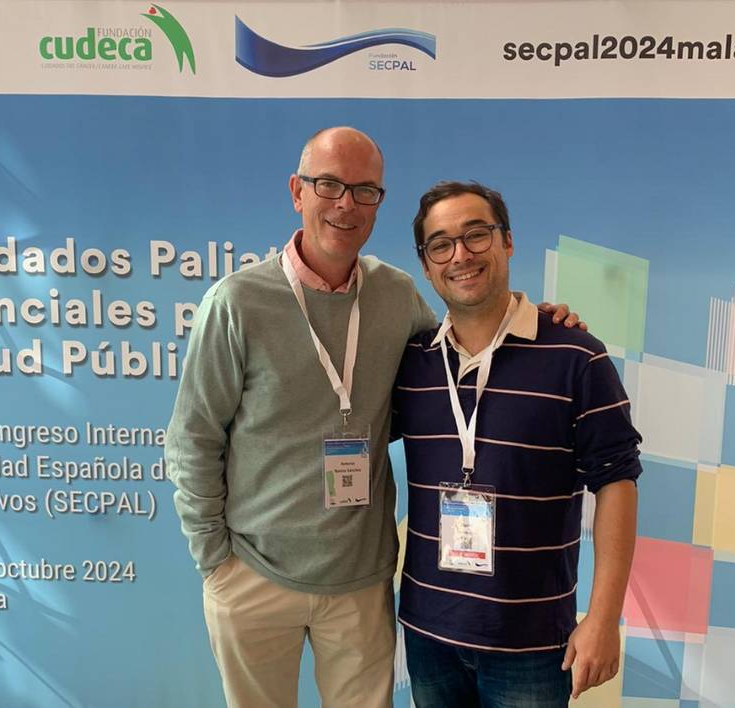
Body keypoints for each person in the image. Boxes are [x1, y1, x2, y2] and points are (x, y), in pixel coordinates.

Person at [165, 128, 579, 708]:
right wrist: (217, 562)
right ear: (296, 191)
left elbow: (463, 348)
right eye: (329, 185)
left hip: (361, 583)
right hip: (254, 575)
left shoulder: (396, 294)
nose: (346, 204)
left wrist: (536, 322)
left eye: (365, 190)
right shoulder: (237, 303)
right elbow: (191, 440)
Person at [394, 181, 642, 707]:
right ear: (426, 264)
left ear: (508, 242)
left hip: (531, 643)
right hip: (428, 634)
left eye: (476, 235)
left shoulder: (578, 356)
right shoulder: (412, 362)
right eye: (441, 244)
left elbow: (617, 483)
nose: (460, 255)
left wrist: (603, 619)